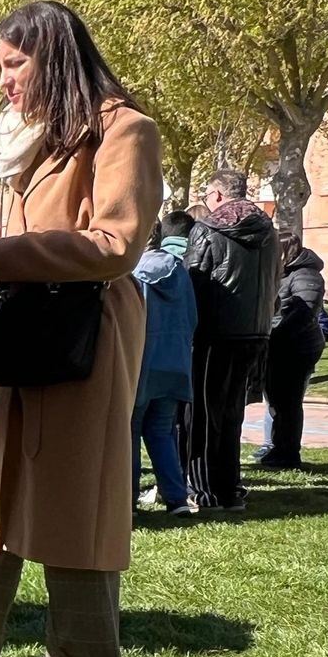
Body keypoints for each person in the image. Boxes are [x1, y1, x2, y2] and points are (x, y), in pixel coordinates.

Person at [0, 0, 163, 657]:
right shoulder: (24, 142)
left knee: (74, 504)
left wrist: (5, 254)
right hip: (20, 326)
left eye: (13, 65)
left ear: (53, 58)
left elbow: (117, 243)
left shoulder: (123, 128)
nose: (2, 82)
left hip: (85, 334)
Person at [178, 169, 277, 510]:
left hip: (214, 333)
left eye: (207, 195)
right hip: (255, 332)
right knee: (232, 414)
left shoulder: (207, 229)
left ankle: (204, 492)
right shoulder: (269, 230)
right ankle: (230, 488)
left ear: (218, 195)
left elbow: (193, 281)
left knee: (204, 415)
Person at [132, 210, 198, 515]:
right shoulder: (180, 270)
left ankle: (127, 498)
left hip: (143, 362)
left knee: (130, 432)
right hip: (176, 362)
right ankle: (176, 499)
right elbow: (192, 318)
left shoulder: (133, 273)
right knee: (161, 431)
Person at [258, 232, 327, 470]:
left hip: (297, 347)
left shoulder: (306, 275)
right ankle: (278, 449)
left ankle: (288, 453)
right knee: (277, 400)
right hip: (279, 344)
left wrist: (276, 336)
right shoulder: (284, 274)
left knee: (289, 402)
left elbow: (304, 312)